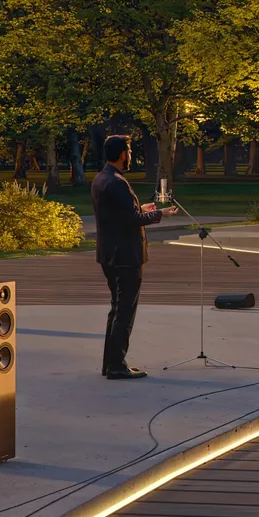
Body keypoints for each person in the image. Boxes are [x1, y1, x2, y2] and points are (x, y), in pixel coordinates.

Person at [92, 135, 176, 379]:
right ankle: (117, 366)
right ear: (121, 154)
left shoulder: (101, 178)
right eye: (129, 151)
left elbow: (119, 214)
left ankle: (110, 363)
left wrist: (143, 208)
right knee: (125, 311)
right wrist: (160, 214)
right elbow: (131, 220)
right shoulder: (118, 182)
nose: (131, 155)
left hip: (109, 253)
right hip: (126, 256)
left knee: (116, 309)